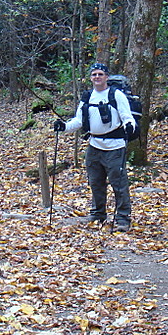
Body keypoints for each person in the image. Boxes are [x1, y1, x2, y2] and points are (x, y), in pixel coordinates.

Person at [53, 63, 136, 232]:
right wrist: (64, 127)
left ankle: (123, 218)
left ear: (106, 77)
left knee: (119, 183)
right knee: (95, 182)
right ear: (90, 78)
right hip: (94, 146)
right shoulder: (87, 96)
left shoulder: (116, 94)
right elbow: (79, 120)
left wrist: (129, 126)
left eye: (100, 74)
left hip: (115, 146)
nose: (97, 77)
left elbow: (127, 116)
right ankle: (98, 214)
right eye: (94, 75)